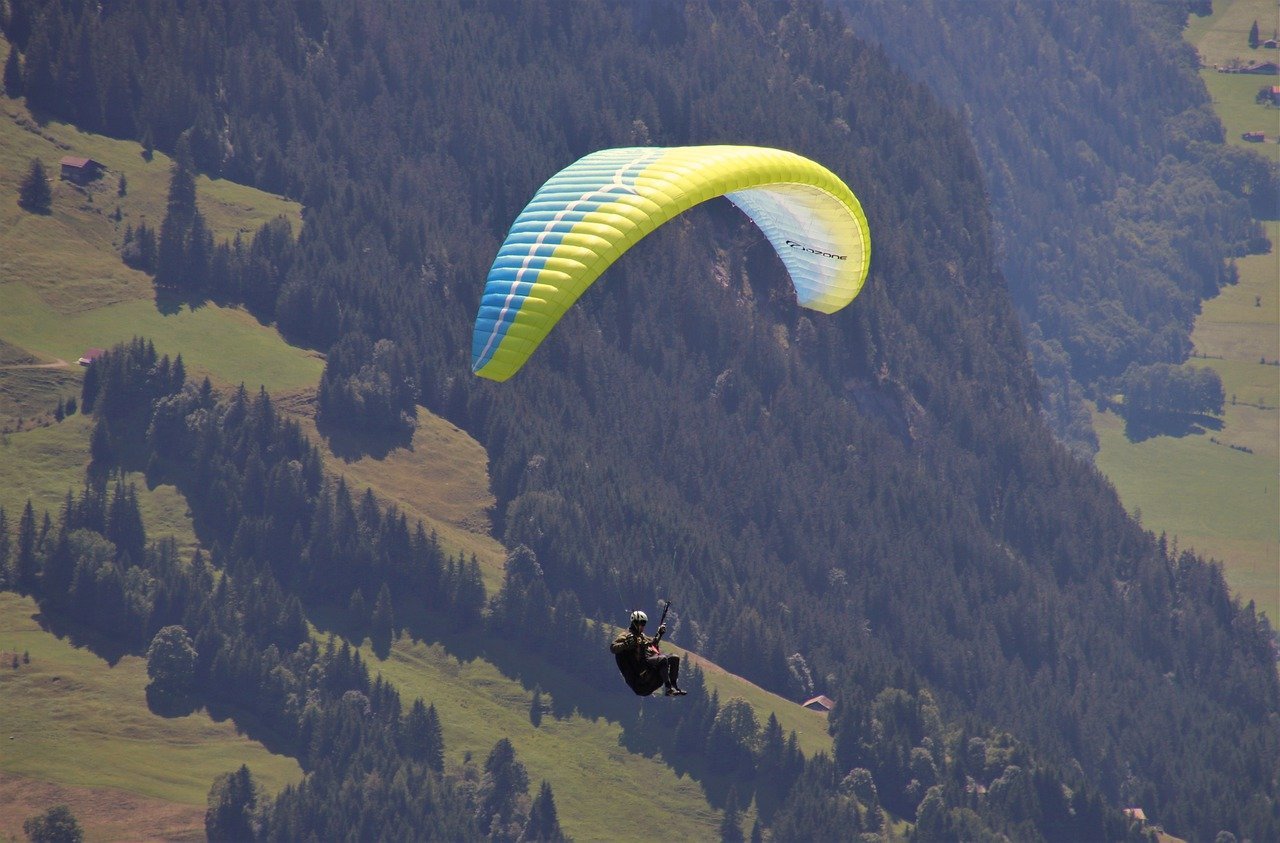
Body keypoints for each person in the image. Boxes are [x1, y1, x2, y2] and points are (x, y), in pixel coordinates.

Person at [611, 610, 686, 696]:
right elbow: (613, 648)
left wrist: (660, 633)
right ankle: (668, 689)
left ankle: (674, 687)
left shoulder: (642, 636)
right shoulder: (626, 635)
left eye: (644, 624)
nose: (643, 626)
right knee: (663, 659)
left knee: (674, 658)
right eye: (642, 623)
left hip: (647, 665)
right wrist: (625, 644)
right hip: (639, 670)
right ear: (635, 622)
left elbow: (652, 644)